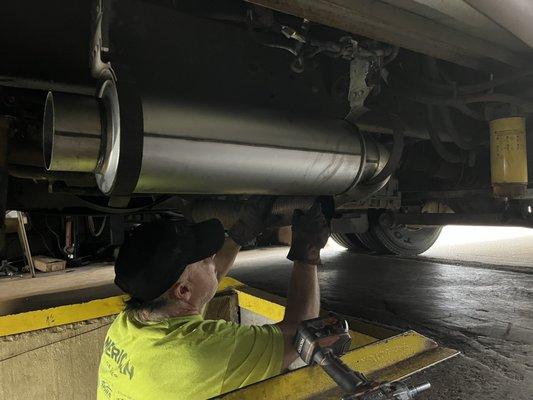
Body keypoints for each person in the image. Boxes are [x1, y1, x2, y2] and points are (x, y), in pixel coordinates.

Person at [97, 197, 330, 400]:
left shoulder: (129, 325)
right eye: (203, 258)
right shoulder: (199, 353)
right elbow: (302, 334)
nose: (212, 256)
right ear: (183, 291)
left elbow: (209, 278)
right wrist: (307, 252)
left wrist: (239, 236)